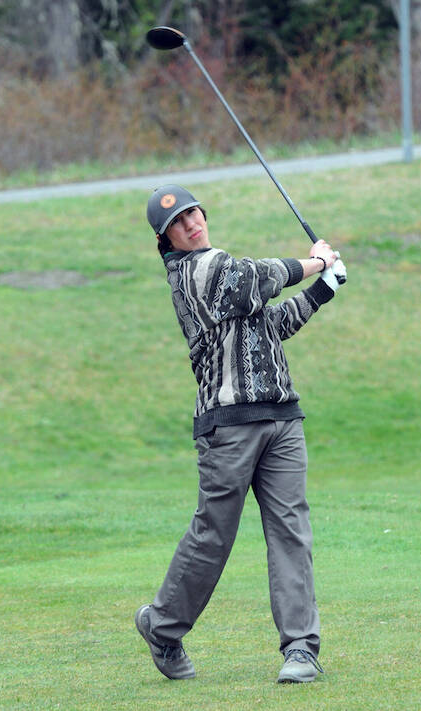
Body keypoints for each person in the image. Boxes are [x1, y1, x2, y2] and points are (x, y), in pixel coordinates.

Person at [135, 184, 344, 684]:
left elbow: (273, 322)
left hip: (282, 417)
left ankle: (301, 649)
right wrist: (317, 262)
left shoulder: (223, 272)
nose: (190, 225)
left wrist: (325, 289)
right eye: (176, 224)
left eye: (192, 214)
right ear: (166, 242)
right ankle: (162, 627)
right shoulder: (196, 272)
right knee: (214, 537)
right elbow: (256, 278)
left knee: (291, 531)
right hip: (227, 425)